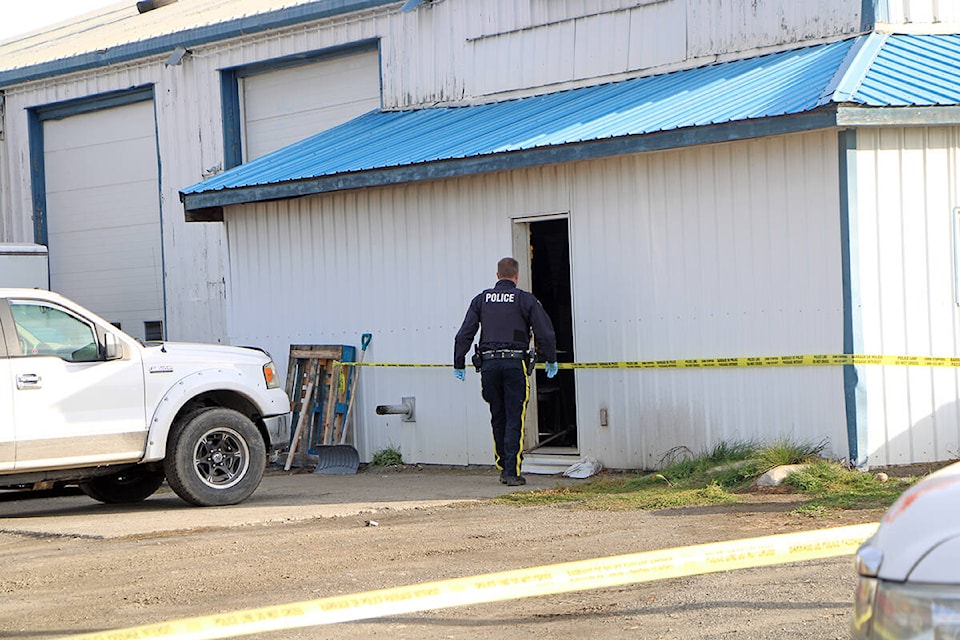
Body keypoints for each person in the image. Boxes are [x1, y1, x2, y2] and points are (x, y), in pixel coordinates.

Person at [453, 257, 559, 486]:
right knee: (514, 417)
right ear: (516, 276)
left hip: (489, 365)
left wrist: (458, 362)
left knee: (497, 415)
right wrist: (551, 358)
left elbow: (465, 333)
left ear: (497, 275)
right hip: (514, 365)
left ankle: (502, 466)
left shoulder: (481, 299)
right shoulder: (524, 299)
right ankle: (511, 472)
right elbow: (545, 332)